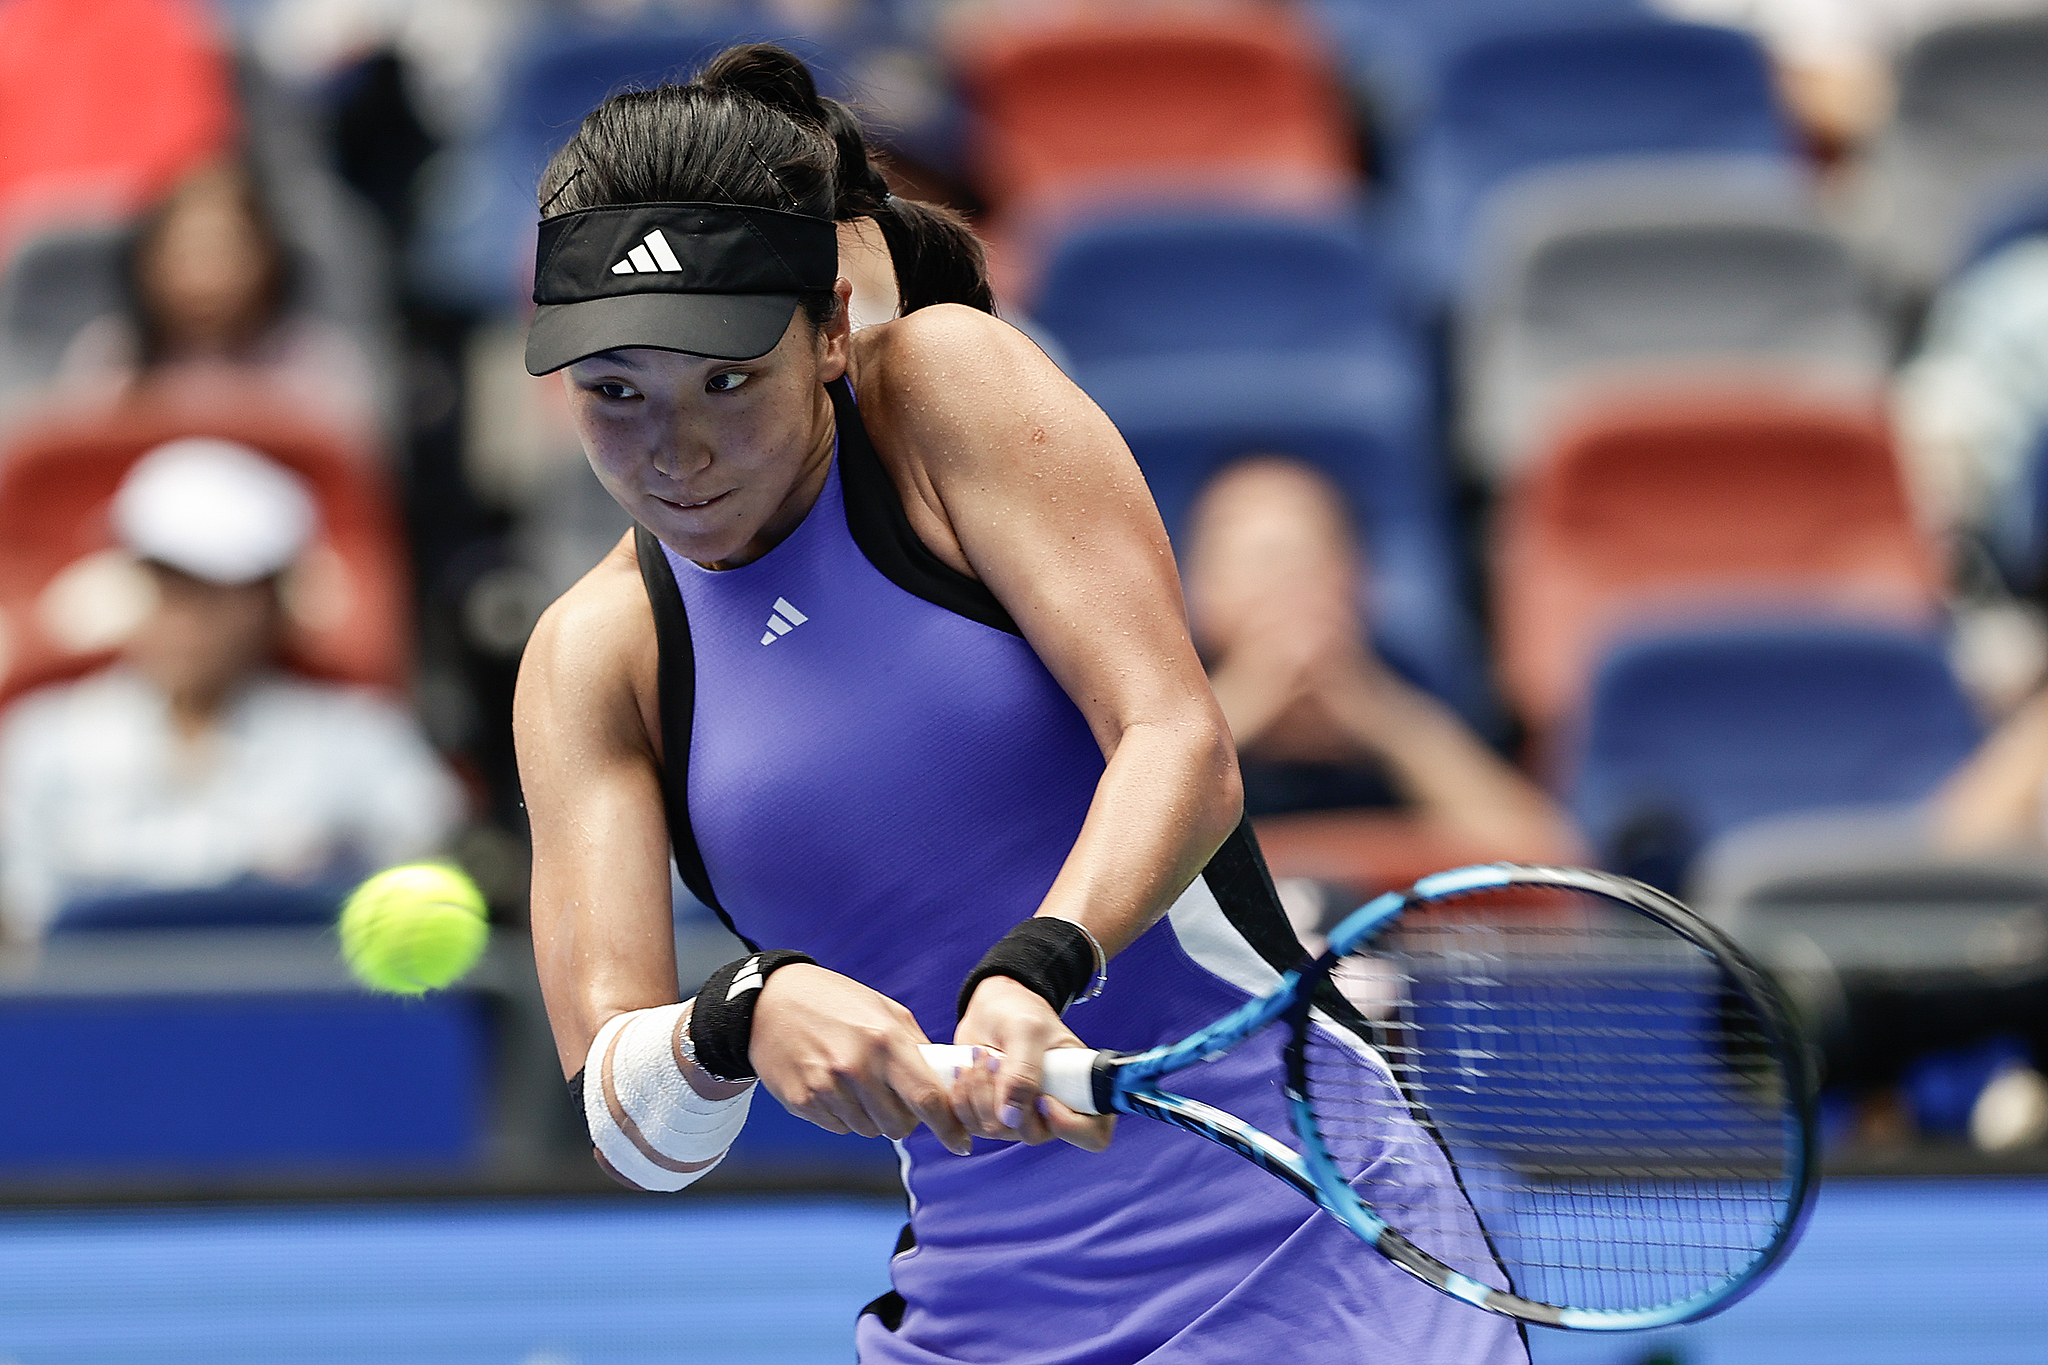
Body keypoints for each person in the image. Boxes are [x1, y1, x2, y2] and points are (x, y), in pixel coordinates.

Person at [513, 45, 1524, 1365]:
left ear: (827, 333)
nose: (675, 450)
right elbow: (632, 1119)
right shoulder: (591, 659)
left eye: (725, 380)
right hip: (987, 1320)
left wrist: (1036, 964)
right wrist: (743, 1013)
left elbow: (1178, 738)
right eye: (614, 393)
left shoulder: (944, 391)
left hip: (1316, 1243)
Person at [0, 437, 463, 941]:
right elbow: (24, 937)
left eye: (216, 591)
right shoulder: (39, 744)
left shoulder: (364, 742)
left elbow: (433, 868)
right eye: (167, 583)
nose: (187, 617)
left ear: (272, 602)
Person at [1182, 454, 1580, 903]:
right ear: (1200, 589)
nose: (1281, 588)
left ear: (1357, 580)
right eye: (1258, 562)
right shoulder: (1162, 705)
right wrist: (1243, 705)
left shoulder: (1415, 686)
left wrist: (1383, 720)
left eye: (1305, 560)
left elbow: (1547, 865)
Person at [54, 162, 383, 452]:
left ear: (269, 259)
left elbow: (349, 488)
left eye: (226, 253)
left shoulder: (320, 364)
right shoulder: (111, 358)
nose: (205, 276)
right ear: (146, 264)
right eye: (184, 255)